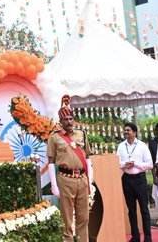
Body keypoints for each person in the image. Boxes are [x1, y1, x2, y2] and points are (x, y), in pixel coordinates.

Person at [47, 95, 92, 242]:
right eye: (65, 119)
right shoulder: (54, 137)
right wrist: (54, 185)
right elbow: (51, 161)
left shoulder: (81, 134)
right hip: (65, 180)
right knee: (67, 217)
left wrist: (90, 181)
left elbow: (87, 158)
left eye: (71, 118)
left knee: (83, 217)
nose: (69, 122)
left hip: (82, 179)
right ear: (60, 121)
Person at [118, 121, 154, 242]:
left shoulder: (142, 146)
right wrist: (124, 165)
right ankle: (135, 236)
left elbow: (149, 164)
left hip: (139, 179)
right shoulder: (121, 146)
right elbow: (117, 163)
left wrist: (136, 164)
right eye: (125, 130)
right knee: (131, 209)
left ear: (134, 132)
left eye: (128, 130)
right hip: (127, 179)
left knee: (144, 208)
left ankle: (148, 237)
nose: (126, 132)